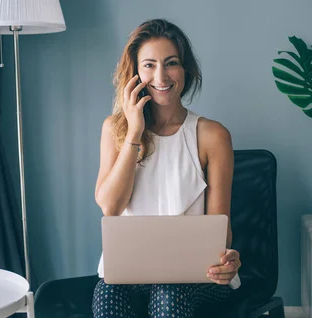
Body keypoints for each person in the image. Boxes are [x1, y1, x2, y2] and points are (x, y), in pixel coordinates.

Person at [93, 18, 241, 317]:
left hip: (195, 275)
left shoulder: (212, 136)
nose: (161, 75)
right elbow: (110, 206)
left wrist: (228, 257)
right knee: (108, 298)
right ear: (135, 73)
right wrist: (134, 133)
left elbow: (220, 230)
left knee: (168, 295)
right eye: (149, 65)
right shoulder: (115, 130)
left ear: (185, 69)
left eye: (171, 63)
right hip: (129, 272)